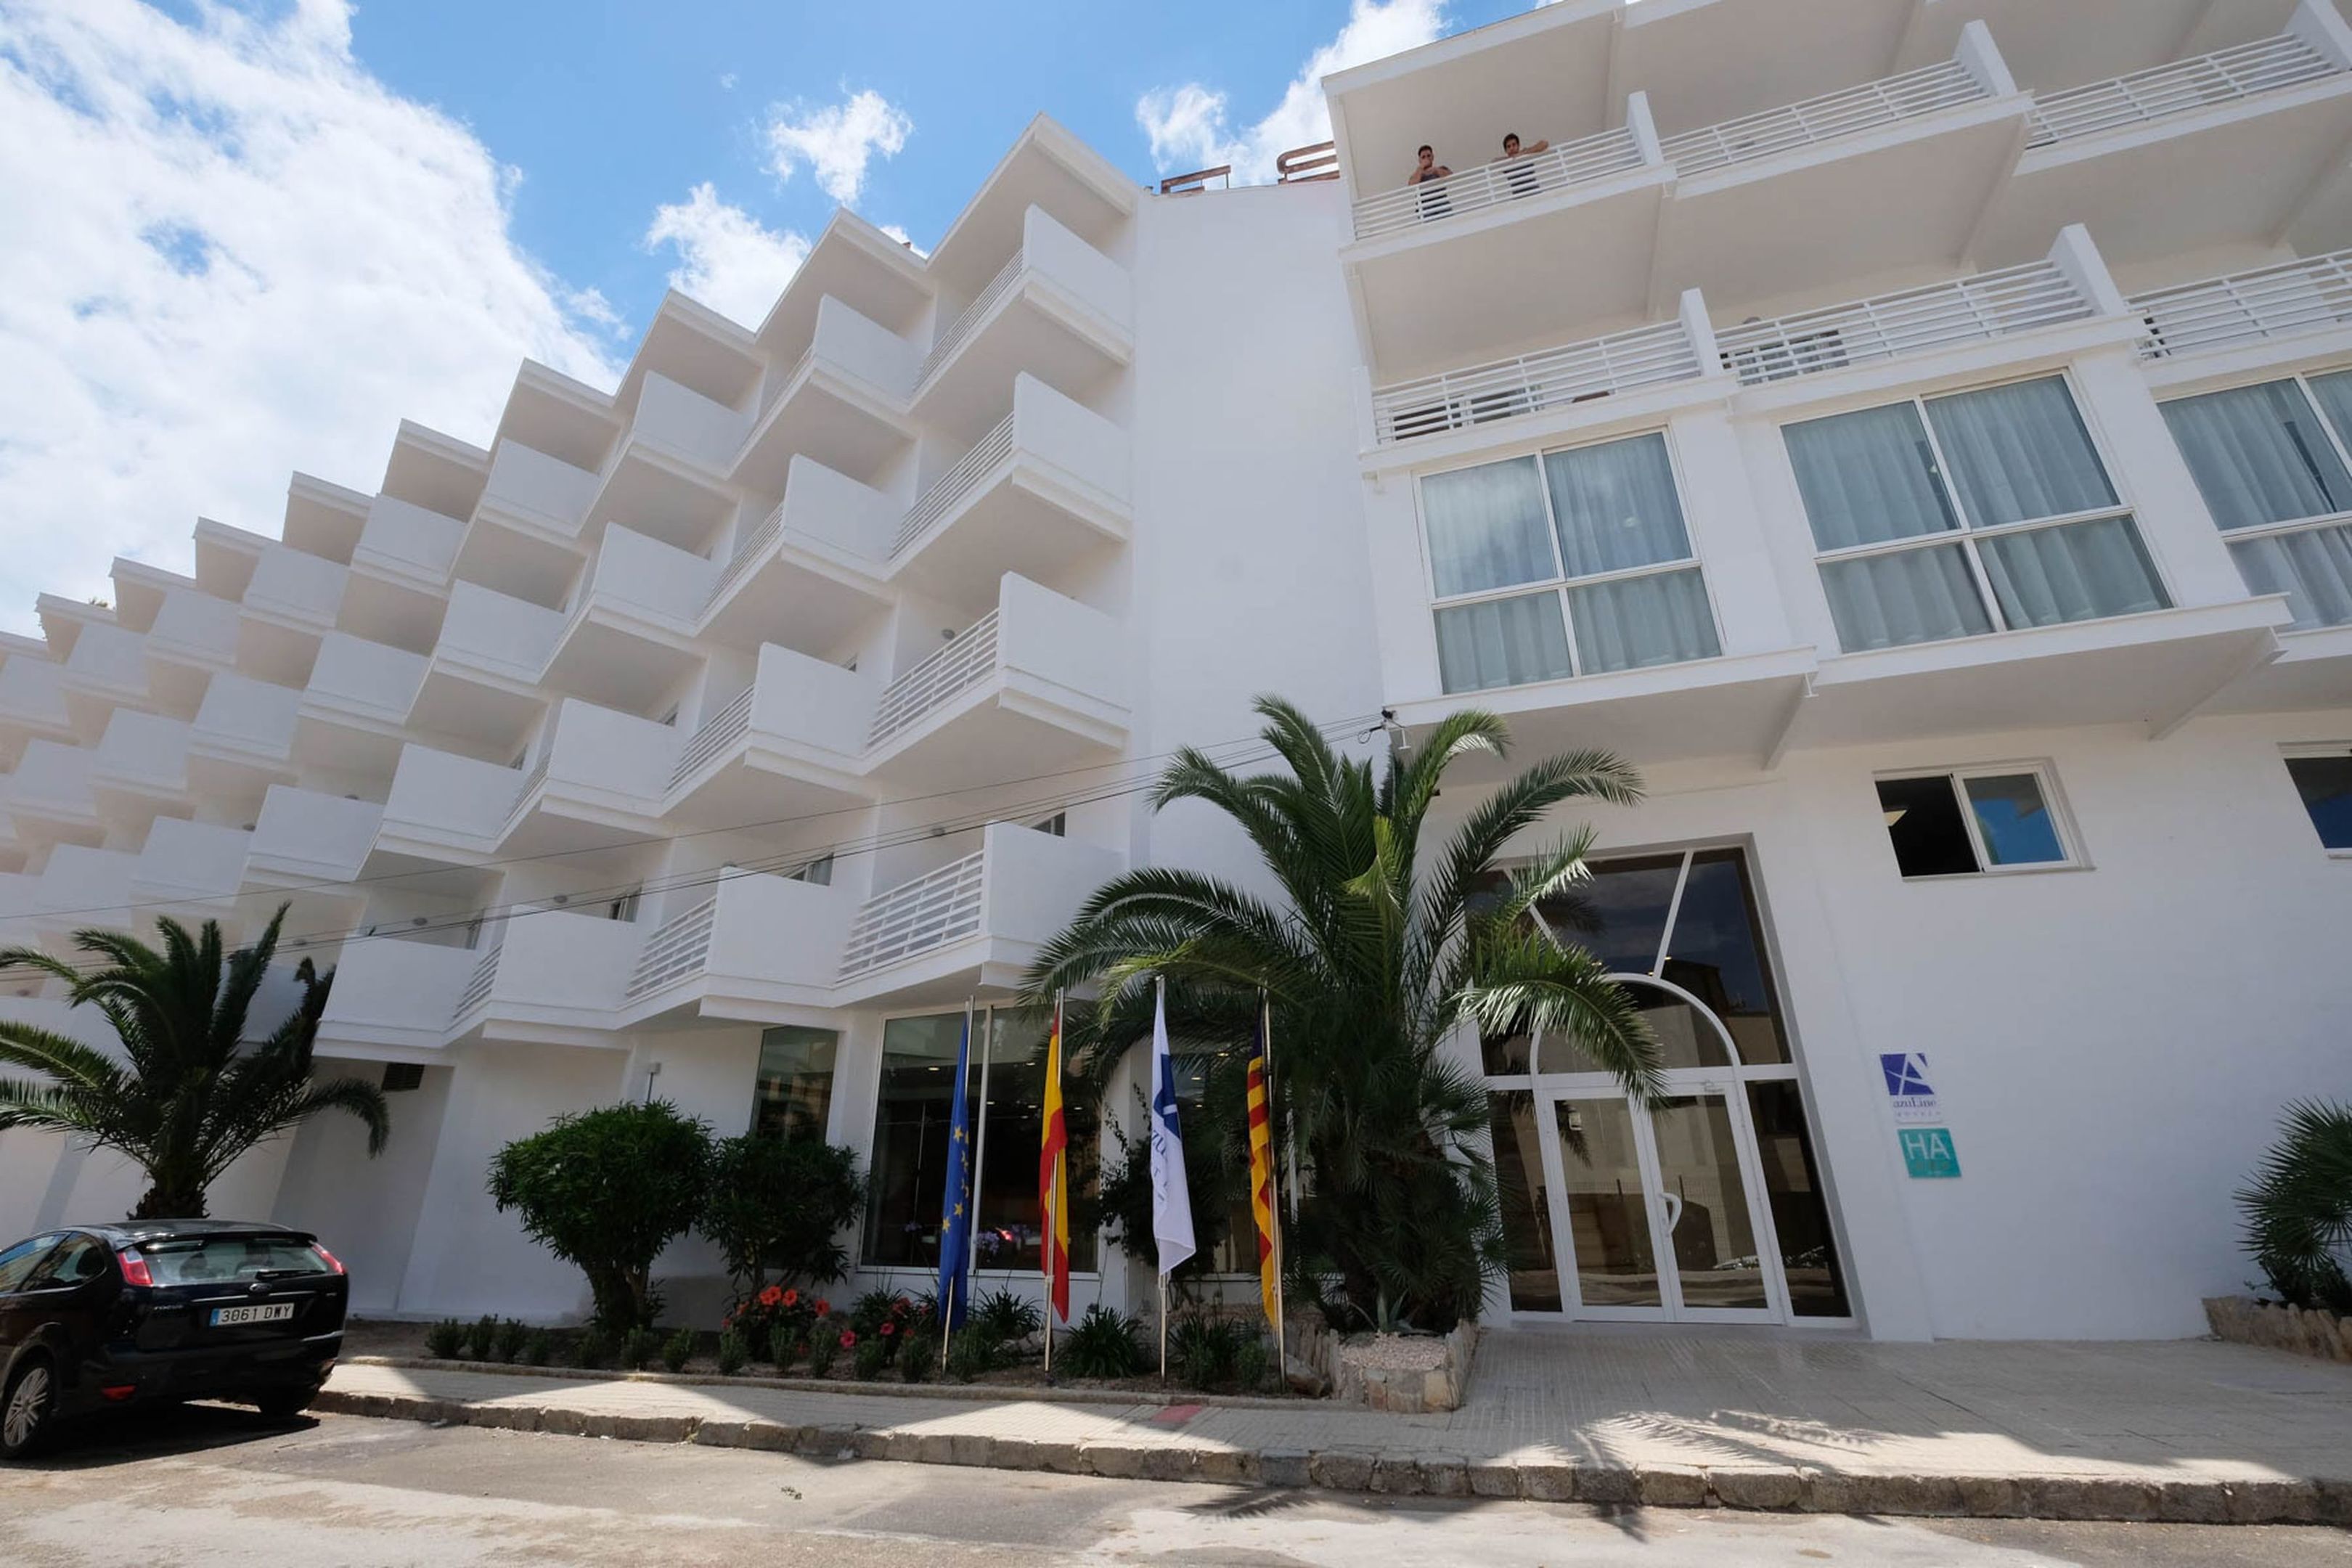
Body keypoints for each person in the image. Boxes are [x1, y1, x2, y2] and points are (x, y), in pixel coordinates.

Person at [1407, 144, 1453, 221]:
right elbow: (1412, 184)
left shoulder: (1440, 169)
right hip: (1426, 207)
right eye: (1423, 157)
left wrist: (1435, 170)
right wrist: (1421, 168)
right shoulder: (1417, 174)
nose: (1426, 159)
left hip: (1441, 204)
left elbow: (1450, 176)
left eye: (1429, 156)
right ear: (1419, 160)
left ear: (1433, 157)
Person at [1498, 132, 1551, 198]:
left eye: (1514, 145)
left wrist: (1523, 154)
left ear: (1518, 146)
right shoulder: (1507, 163)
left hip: (1534, 193)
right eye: (1509, 147)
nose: (1512, 148)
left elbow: (1544, 143)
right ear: (1506, 150)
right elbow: (1493, 163)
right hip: (1519, 198)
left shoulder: (1525, 156)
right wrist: (1509, 159)